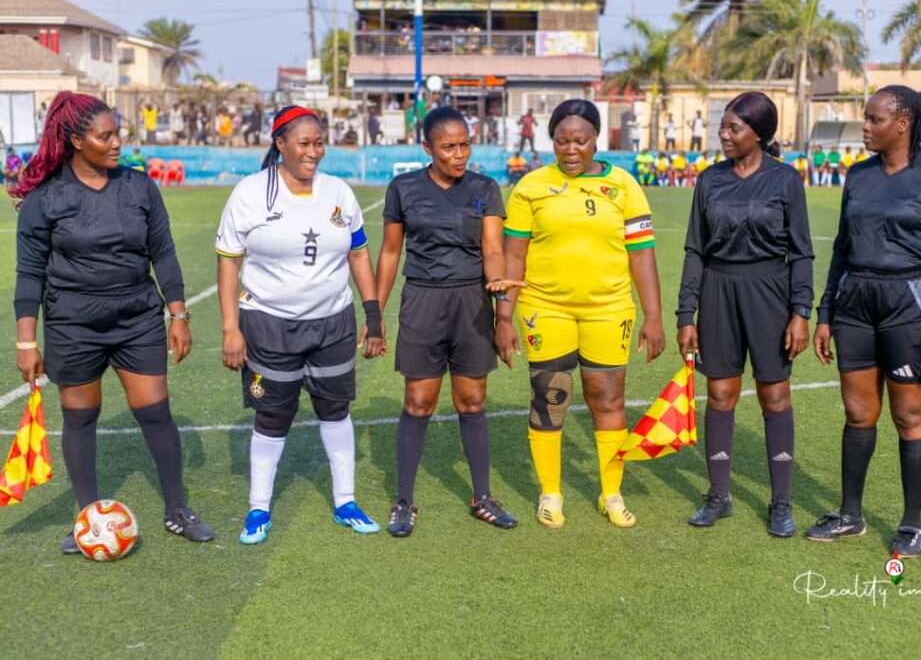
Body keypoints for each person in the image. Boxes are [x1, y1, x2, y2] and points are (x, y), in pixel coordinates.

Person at [11, 91, 214, 554]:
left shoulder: (139, 187)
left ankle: (177, 510)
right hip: (73, 325)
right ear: (76, 141)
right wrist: (26, 342)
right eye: (105, 136)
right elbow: (29, 274)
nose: (117, 142)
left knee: (155, 412)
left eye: (118, 133)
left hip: (137, 318)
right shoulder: (46, 199)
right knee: (80, 418)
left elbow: (163, 252)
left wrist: (178, 314)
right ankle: (87, 519)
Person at [808, 85, 921, 557]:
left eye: (874, 119)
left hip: (910, 307)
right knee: (858, 414)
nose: (865, 127)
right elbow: (841, 248)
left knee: (908, 415)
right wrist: (825, 313)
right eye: (865, 118)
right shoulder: (858, 176)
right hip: (855, 304)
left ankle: (911, 524)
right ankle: (850, 515)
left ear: (903, 123)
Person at [216, 105, 384, 544]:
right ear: (280, 144)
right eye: (304, 143)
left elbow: (358, 253)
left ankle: (345, 501)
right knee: (273, 414)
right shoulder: (251, 193)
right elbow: (228, 263)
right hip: (268, 324)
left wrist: (373, 315)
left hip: (333, 322)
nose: (314, 152)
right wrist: (231, 328)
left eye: (319, 142)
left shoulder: (338, 192)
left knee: (335, 409)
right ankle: (258, 508)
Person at [498, 99, 666, 529]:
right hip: (544, 307)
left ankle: (611, 493)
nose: (571, 150)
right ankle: (550, 494)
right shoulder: (531, 186)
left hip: (609, 308)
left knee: (607, 399)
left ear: (596, 140)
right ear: (551, 141)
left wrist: (653, 315)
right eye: (561, 141)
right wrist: (503, 317)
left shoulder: (623, 184)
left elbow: (641, 254)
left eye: (580, 141)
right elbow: (513, 256)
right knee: (550, 397)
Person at [375, 106, 522, 537]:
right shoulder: (403, 188)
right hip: (422, 301)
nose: (459, 155)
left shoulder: (485, 188)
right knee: (418, 401)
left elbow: (492, 247)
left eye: (465, 145)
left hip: (472, 303)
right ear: (427, 148)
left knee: (472, 400)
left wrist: (498, 288)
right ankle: (404, 502)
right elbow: (390, 253)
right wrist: (374, 313)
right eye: (448, 147)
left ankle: (482, 498)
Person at [677, 91, 814, 537]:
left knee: (774, 396)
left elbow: (801, 252)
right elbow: (695, 250)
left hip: (770, 294)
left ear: (759, 134)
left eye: (734, 128)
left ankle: (780, 502)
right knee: (720, 394)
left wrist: (800, 311)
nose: (724, 135)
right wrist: (686, 314)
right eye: (723, 126)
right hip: (718, 291)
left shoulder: (786, 180)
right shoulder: (709, 180)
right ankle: (719, 495)